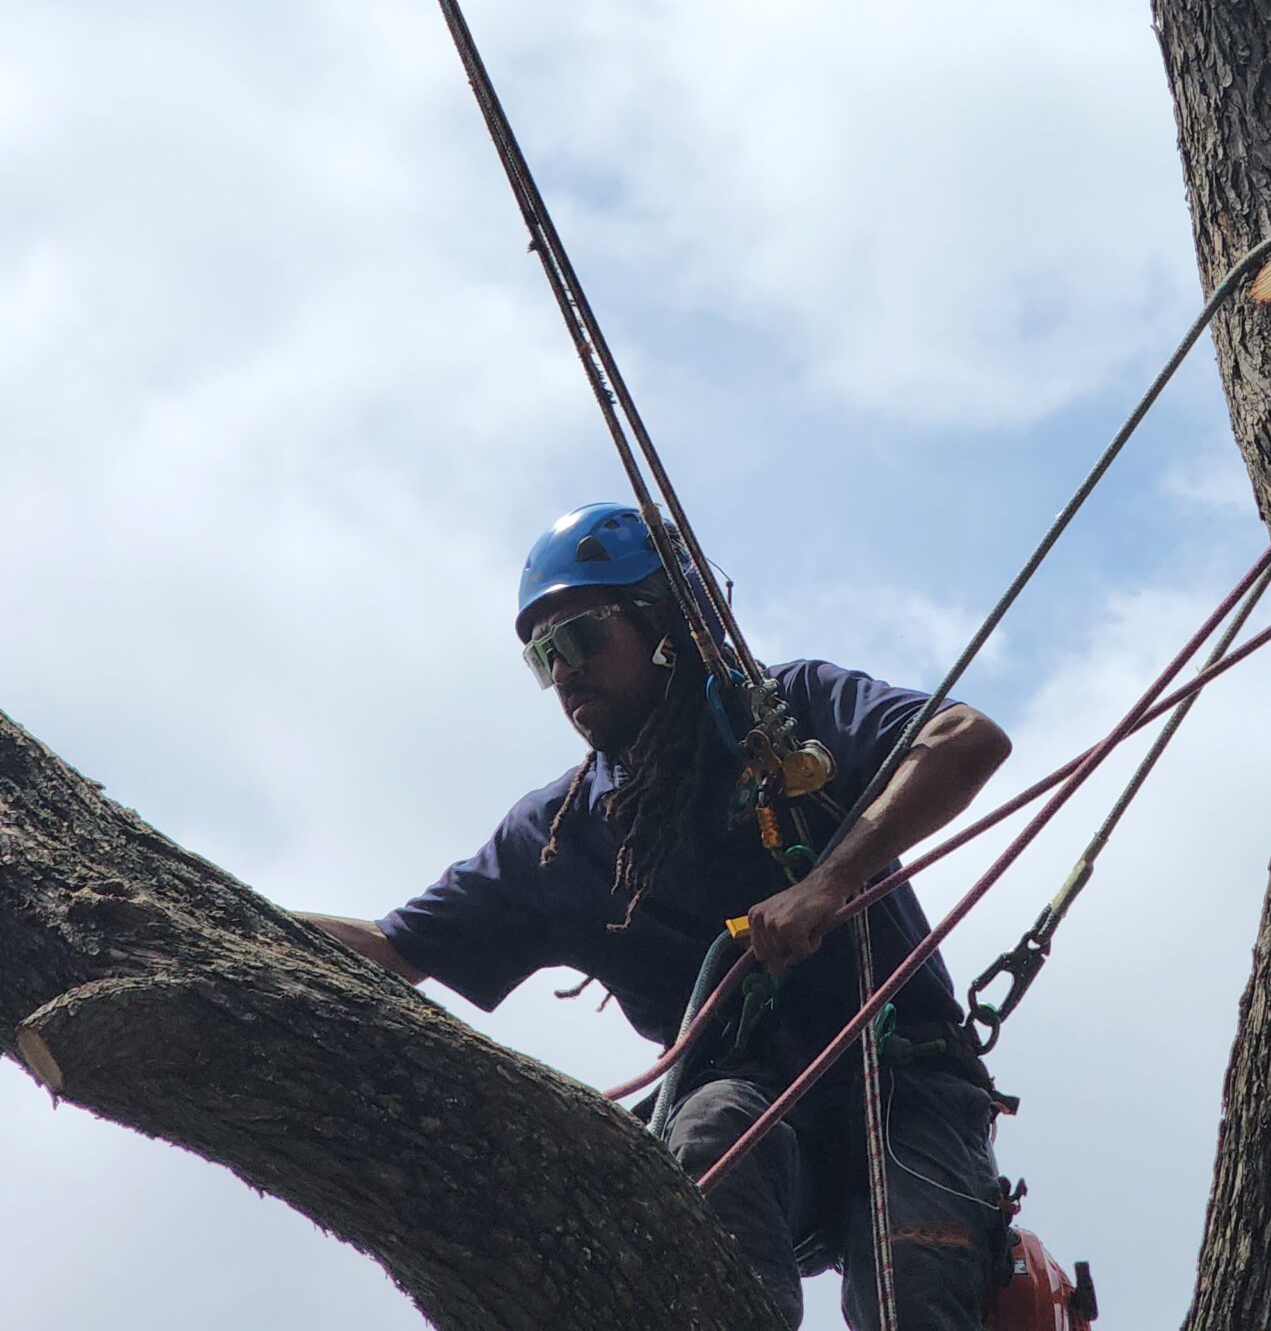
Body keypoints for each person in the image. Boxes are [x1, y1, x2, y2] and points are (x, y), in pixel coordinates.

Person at [309, 503, 1014, 1331]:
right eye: (542, 658)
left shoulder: (785, 718)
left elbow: (967, 738)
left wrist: (826, 884)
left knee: (916, 1285)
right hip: (748, 1104)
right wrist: (194, 895)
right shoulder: (557, 838)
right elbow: (392, 949)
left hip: (905, 1077)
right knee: (711, 1130)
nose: (562, 672)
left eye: (578, 638)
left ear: (665, 622)